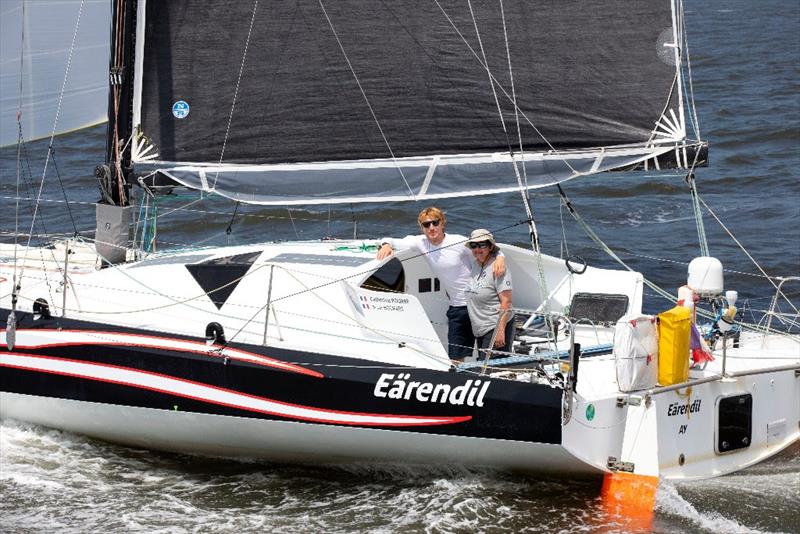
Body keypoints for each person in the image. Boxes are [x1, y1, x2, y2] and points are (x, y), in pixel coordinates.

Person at [377, 207, 505, 361]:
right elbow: (390, 240)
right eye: (426, 225)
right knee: (456, 358)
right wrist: (385, 245)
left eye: (435, 223)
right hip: (457, 308)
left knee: (489, 358)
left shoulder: (457, 241)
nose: (431, 228)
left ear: (442, 223)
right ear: (422, 228)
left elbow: (486, 248)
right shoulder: (421, 243)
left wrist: (500, 257)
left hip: (479, 306)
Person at [464, 229, 514, 356]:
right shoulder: (475, 265)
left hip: (494, 326)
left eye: (482, 245)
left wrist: (500, 330)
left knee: (487, 370)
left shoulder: (498, 268)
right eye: (473, 245)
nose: (477, 249)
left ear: (490, 247)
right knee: (483, 367)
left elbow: (506, 301)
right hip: (480, 329)